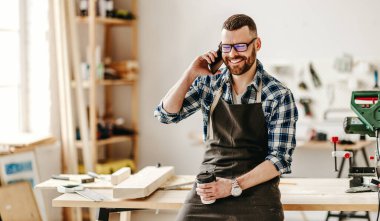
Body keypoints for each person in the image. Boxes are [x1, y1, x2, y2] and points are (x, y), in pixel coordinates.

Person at [154, 14, 298, 221]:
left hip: (257, 190)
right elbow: (165, 115)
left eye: (240, 46)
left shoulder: (277, 94)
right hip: (209, 188)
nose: (232, 54)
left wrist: (232, 186)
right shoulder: (210, 84)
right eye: (226, 47)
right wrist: (191, 73)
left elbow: (279, 160)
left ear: (257, 44)